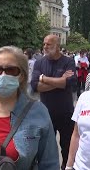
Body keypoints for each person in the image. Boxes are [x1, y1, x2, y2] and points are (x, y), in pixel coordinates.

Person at [31, 35, 77, 170]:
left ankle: (66, 167)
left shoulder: (68, 62)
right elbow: (35, 86)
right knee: (45, 148)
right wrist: (59, 81)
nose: (45, 47)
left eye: (49, 44)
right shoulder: (39, 62)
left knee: (67, 146)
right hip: (45, 113)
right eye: (44, 44)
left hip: (65, 112)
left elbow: (68, 83)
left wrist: (43, 78)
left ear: (57, 46)